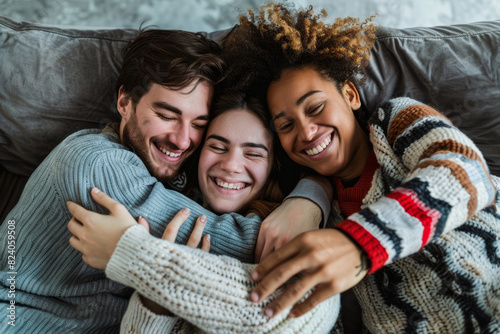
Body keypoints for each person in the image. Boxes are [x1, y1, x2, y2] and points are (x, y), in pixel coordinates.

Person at [0, 28, 330, 333]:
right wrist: (314, 191)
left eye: (198, 123)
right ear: (124, 103)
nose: (183, 140)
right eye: (167, 116)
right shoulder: (96, 162)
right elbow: (262, 248)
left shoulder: (173, 172)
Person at [216, 3, 499, 333]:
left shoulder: (395, 124)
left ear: (350, 94)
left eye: (316, 107)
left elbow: (464, 170)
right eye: (286, 125)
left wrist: (361, 244)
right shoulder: (319, 214)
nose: (306, 132)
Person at [68, 90, 339, 333]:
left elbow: (310, 313)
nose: (232, 165)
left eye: (254, 154)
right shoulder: (167, 222)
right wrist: (155, 298)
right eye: (217, 147)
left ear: (272, 170)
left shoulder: (284, 231)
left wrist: (137, 257)